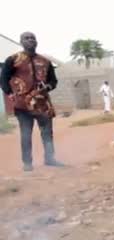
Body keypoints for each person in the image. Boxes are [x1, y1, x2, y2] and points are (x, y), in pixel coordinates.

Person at [0, 32, 64, 172]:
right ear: (21, 42)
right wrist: (9, 93)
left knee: (47, 132)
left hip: (43, 104)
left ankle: (50, 158)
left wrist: (47, 87)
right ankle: (27, 163)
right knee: (26, 133)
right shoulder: (13, 59)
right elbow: (3, 78)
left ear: (36, 42)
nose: (30, 40)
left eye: (33, 38)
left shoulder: (45, 61)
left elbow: (53, 81)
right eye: (26, 38)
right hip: (23, 104)